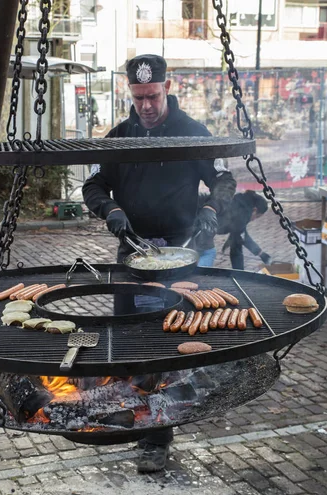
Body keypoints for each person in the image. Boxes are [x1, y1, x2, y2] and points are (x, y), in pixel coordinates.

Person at [82, 54, 236, 473]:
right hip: (131, 253)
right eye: (138, 98)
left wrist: (211, 208)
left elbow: (224, 178)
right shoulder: (118, 136)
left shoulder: (193, 133)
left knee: (165, 345)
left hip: (179, 256)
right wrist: (110, 211)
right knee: (126, 341)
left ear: (168, 87)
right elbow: (94, 184)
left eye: (152, 96)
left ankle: (157, 437)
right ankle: (130, 416)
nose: (146, 106)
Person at [196, 191, 271, 270]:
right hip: (196, 218)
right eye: (257, 216)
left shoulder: (239, 205)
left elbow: (237, 244)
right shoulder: (242, 215)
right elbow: (243, 238)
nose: (254, 219)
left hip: (198, 216)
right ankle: (196, 275)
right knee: (209, 252)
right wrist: (261, 254)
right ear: (254, 210)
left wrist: (239, 273)